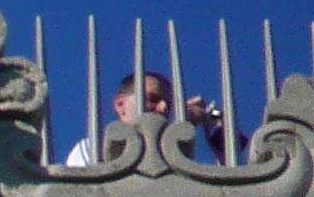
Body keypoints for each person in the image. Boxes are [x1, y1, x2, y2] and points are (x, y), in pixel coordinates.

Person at [66, 70, 227, 164]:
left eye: (169, 104)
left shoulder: (173, 155)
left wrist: (214, 119)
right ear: (120, 105)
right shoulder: (92, 148)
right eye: (152, 99)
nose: (163, 108)